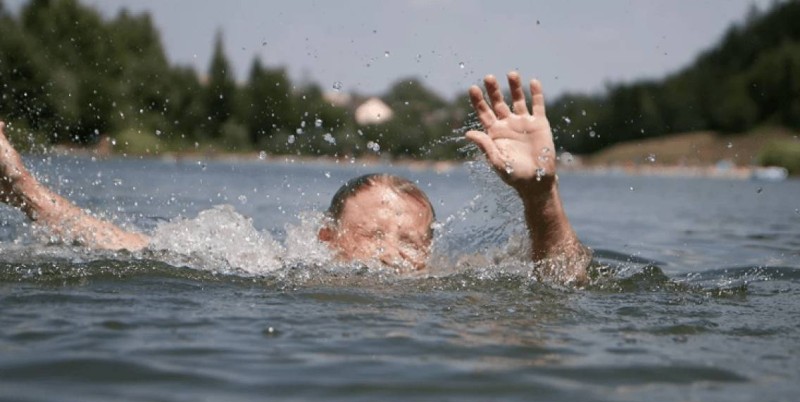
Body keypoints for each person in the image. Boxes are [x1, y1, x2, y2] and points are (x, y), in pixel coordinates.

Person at [0, 72, 590, 282]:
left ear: (431, 254)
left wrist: (542, 196)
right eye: (375, 238)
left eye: (409, 243)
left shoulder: (449, 285)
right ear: (326, 241)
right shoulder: (276, 268)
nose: (391, 257)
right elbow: (134, 250)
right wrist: (23, 189)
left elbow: (563, 281)